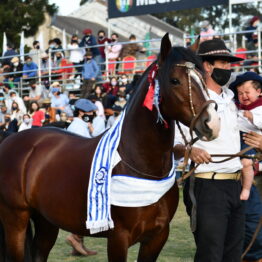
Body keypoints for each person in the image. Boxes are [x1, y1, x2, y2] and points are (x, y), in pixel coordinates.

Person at [174, 38, 245, 262]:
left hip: (236, 184)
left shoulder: (230, 100)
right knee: (210, 255)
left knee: (233, 254)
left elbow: (250, 128)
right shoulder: (193, 101)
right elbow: (173, 143)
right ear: (207, 66)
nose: (228, 68)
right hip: (207, 184)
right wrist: (189, 151)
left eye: (228, 64)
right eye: (224, 63)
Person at [66, 98, 101, 256]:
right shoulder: (77, 126)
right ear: (81, 112)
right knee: (84, 207)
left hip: (80, 169)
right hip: (79, 170)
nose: (92, 114)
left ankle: (77, 245)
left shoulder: (82, 125)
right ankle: (75, 237)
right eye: (89, 112)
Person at [229, 71, 262, 200]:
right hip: (238, 137)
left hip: (251, 139)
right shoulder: (238, 107)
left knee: (246, 162)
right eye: (240, 93)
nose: (244, 96)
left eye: (247, 92)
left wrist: (253, 117)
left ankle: (246, 189)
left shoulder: (259, 108)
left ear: (259, 91)